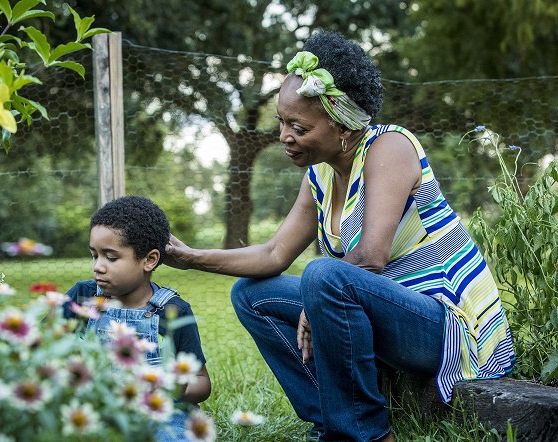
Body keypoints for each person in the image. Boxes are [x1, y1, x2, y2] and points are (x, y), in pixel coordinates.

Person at [165, 31, 515, 442]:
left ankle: (364, 434)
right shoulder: (321, 174)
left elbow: (370, 257)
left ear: (342, 126)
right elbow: (275, 253)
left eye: (299, 126)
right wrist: (189, 256)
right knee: (251, 294)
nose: (284, 137)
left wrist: (314, 304)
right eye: (282, 122)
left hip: (449, 327)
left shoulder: (390, 147)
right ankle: (328, 420)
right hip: (389, 313)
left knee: (322, 275)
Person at [63, 195, 211, 441]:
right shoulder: (84, 295)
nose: (98, 266)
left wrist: (170, 387)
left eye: (111, 257)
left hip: (157, 410)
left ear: (149, 260)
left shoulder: (172, 310)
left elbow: (201, 382)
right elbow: (42, 343)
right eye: (94, 255)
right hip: (95, 406)